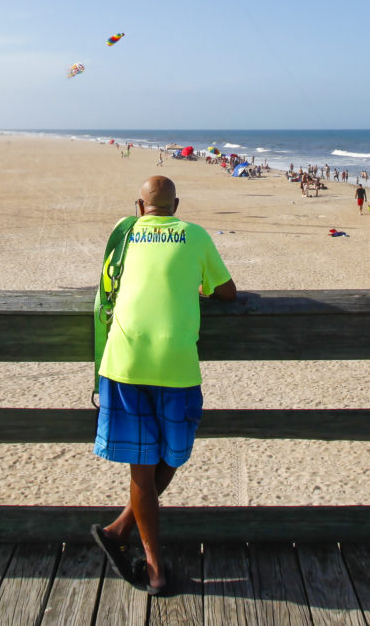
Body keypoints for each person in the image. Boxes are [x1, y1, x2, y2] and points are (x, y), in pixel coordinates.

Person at [92, 176, 234, 597]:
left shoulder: (124, 232)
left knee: (143, 464)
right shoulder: (194, 234)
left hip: (125, 360)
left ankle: (123, 535)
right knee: (172, 455)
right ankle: (147, 560)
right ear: (177, 205)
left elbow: (108, 288)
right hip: (176, 364)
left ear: (140, 206)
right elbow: (227, 293)